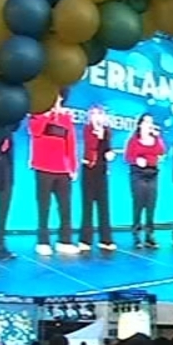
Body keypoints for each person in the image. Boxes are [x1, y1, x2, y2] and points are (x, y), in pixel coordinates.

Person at [28, 95, 79, 256]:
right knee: (44, 206)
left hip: (62, 170)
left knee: (65, 207)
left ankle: (65, 240)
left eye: (57, 99)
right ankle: (43, 241)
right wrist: (48, 114)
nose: (56, 101)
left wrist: (73, 167)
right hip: (43, 167)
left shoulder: (66, 118)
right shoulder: (37, 115)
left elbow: (70, 144)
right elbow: (35, 131)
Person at [79, 104, 117, 252]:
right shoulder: (88, 129)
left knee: (103, 205)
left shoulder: (107, 131)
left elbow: (106, 149)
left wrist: (110, 154)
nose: (96, 116)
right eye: (93, 114)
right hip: (89, 169)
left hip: (102, 170)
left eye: (99, 114)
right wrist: (98, 133)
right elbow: (91, 146)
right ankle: (85, 240)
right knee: (87, 205)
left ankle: (105, 239)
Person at [125, 114, 167, 249]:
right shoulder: (134, 140)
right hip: (138, 173)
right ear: (140, 124)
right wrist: (137, 160)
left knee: (151, 204)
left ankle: (150, 235)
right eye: (146, 122)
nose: (149, 124)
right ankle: (136, 233)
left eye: (151, 122)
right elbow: (128, 156)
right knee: (139, 203)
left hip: (153, 173)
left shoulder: (155, 139)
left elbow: (162, 151)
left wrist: (157, 136)